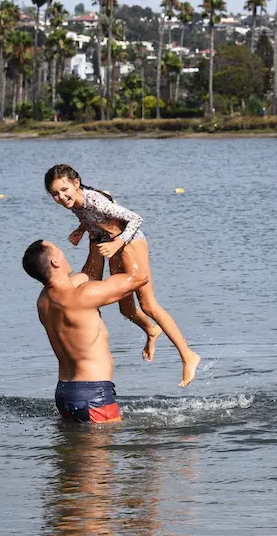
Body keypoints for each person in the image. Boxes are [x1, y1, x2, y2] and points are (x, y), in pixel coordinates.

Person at [44, 164, 200, 388]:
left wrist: (118, 243)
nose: (61, 197)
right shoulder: (74, 203)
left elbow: (135, 219)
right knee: (125, 309)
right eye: (55, 194)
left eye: (64, 190)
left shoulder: (93, 199)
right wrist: (81, 228)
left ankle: (188, 355)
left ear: (75, 183)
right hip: (112, 243)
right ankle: (151, 330)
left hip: (130, 242)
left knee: (148, 305)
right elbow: (95, 218)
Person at [22, 239, 149, 423]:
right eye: (58, 249)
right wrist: (124, 239)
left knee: (75, 451)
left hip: (65, 392)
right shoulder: (82, 295)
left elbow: (90, 275)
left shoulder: (44, 301)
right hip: (93, 395)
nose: (63, 251)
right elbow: (138, 278)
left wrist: (96, 238)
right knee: (101, 450)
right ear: (55, 262)